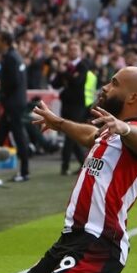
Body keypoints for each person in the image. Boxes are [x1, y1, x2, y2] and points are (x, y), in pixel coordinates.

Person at [2, 67, 137, 273]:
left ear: (133, 97)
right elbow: (87, 135)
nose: (105, 87)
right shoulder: (107, 131)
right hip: (70, 239)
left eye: (114, 83)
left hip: (101, 244)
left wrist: (124, 127)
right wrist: (59, 123)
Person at [0, 31, 33, 182]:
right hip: (16, 102)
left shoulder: (10, 58)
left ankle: (24, 171)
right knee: (0, 135)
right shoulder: (16, 56)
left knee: (18, 136)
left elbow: (14, 81)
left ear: (4, 41)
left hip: (12, 104)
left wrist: (3, 94)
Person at [50, 39, 91, 175]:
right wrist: (61, 72)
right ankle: (84, 164)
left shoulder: (83, 66)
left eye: (75, 49)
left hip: (78, 105)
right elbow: (55, 84)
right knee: (71, 134)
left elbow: (77, 82)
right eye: (71, 49)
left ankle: (65, 165)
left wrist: (65, 73)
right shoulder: (66, 66)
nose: (72, 51)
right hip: (66, 104)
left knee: (70, 134)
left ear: (79, 51)